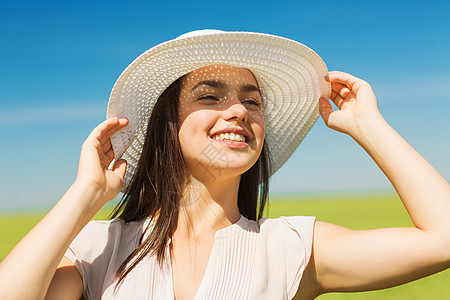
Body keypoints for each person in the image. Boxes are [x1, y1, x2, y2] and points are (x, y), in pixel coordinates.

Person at [0, 30, 449, 300]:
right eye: (210, 96)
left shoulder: (294, 248)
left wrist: (368, 124)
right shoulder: (99, 247)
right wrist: (86, 194)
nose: (239, 112)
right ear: (167, 125)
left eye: (251, 102)